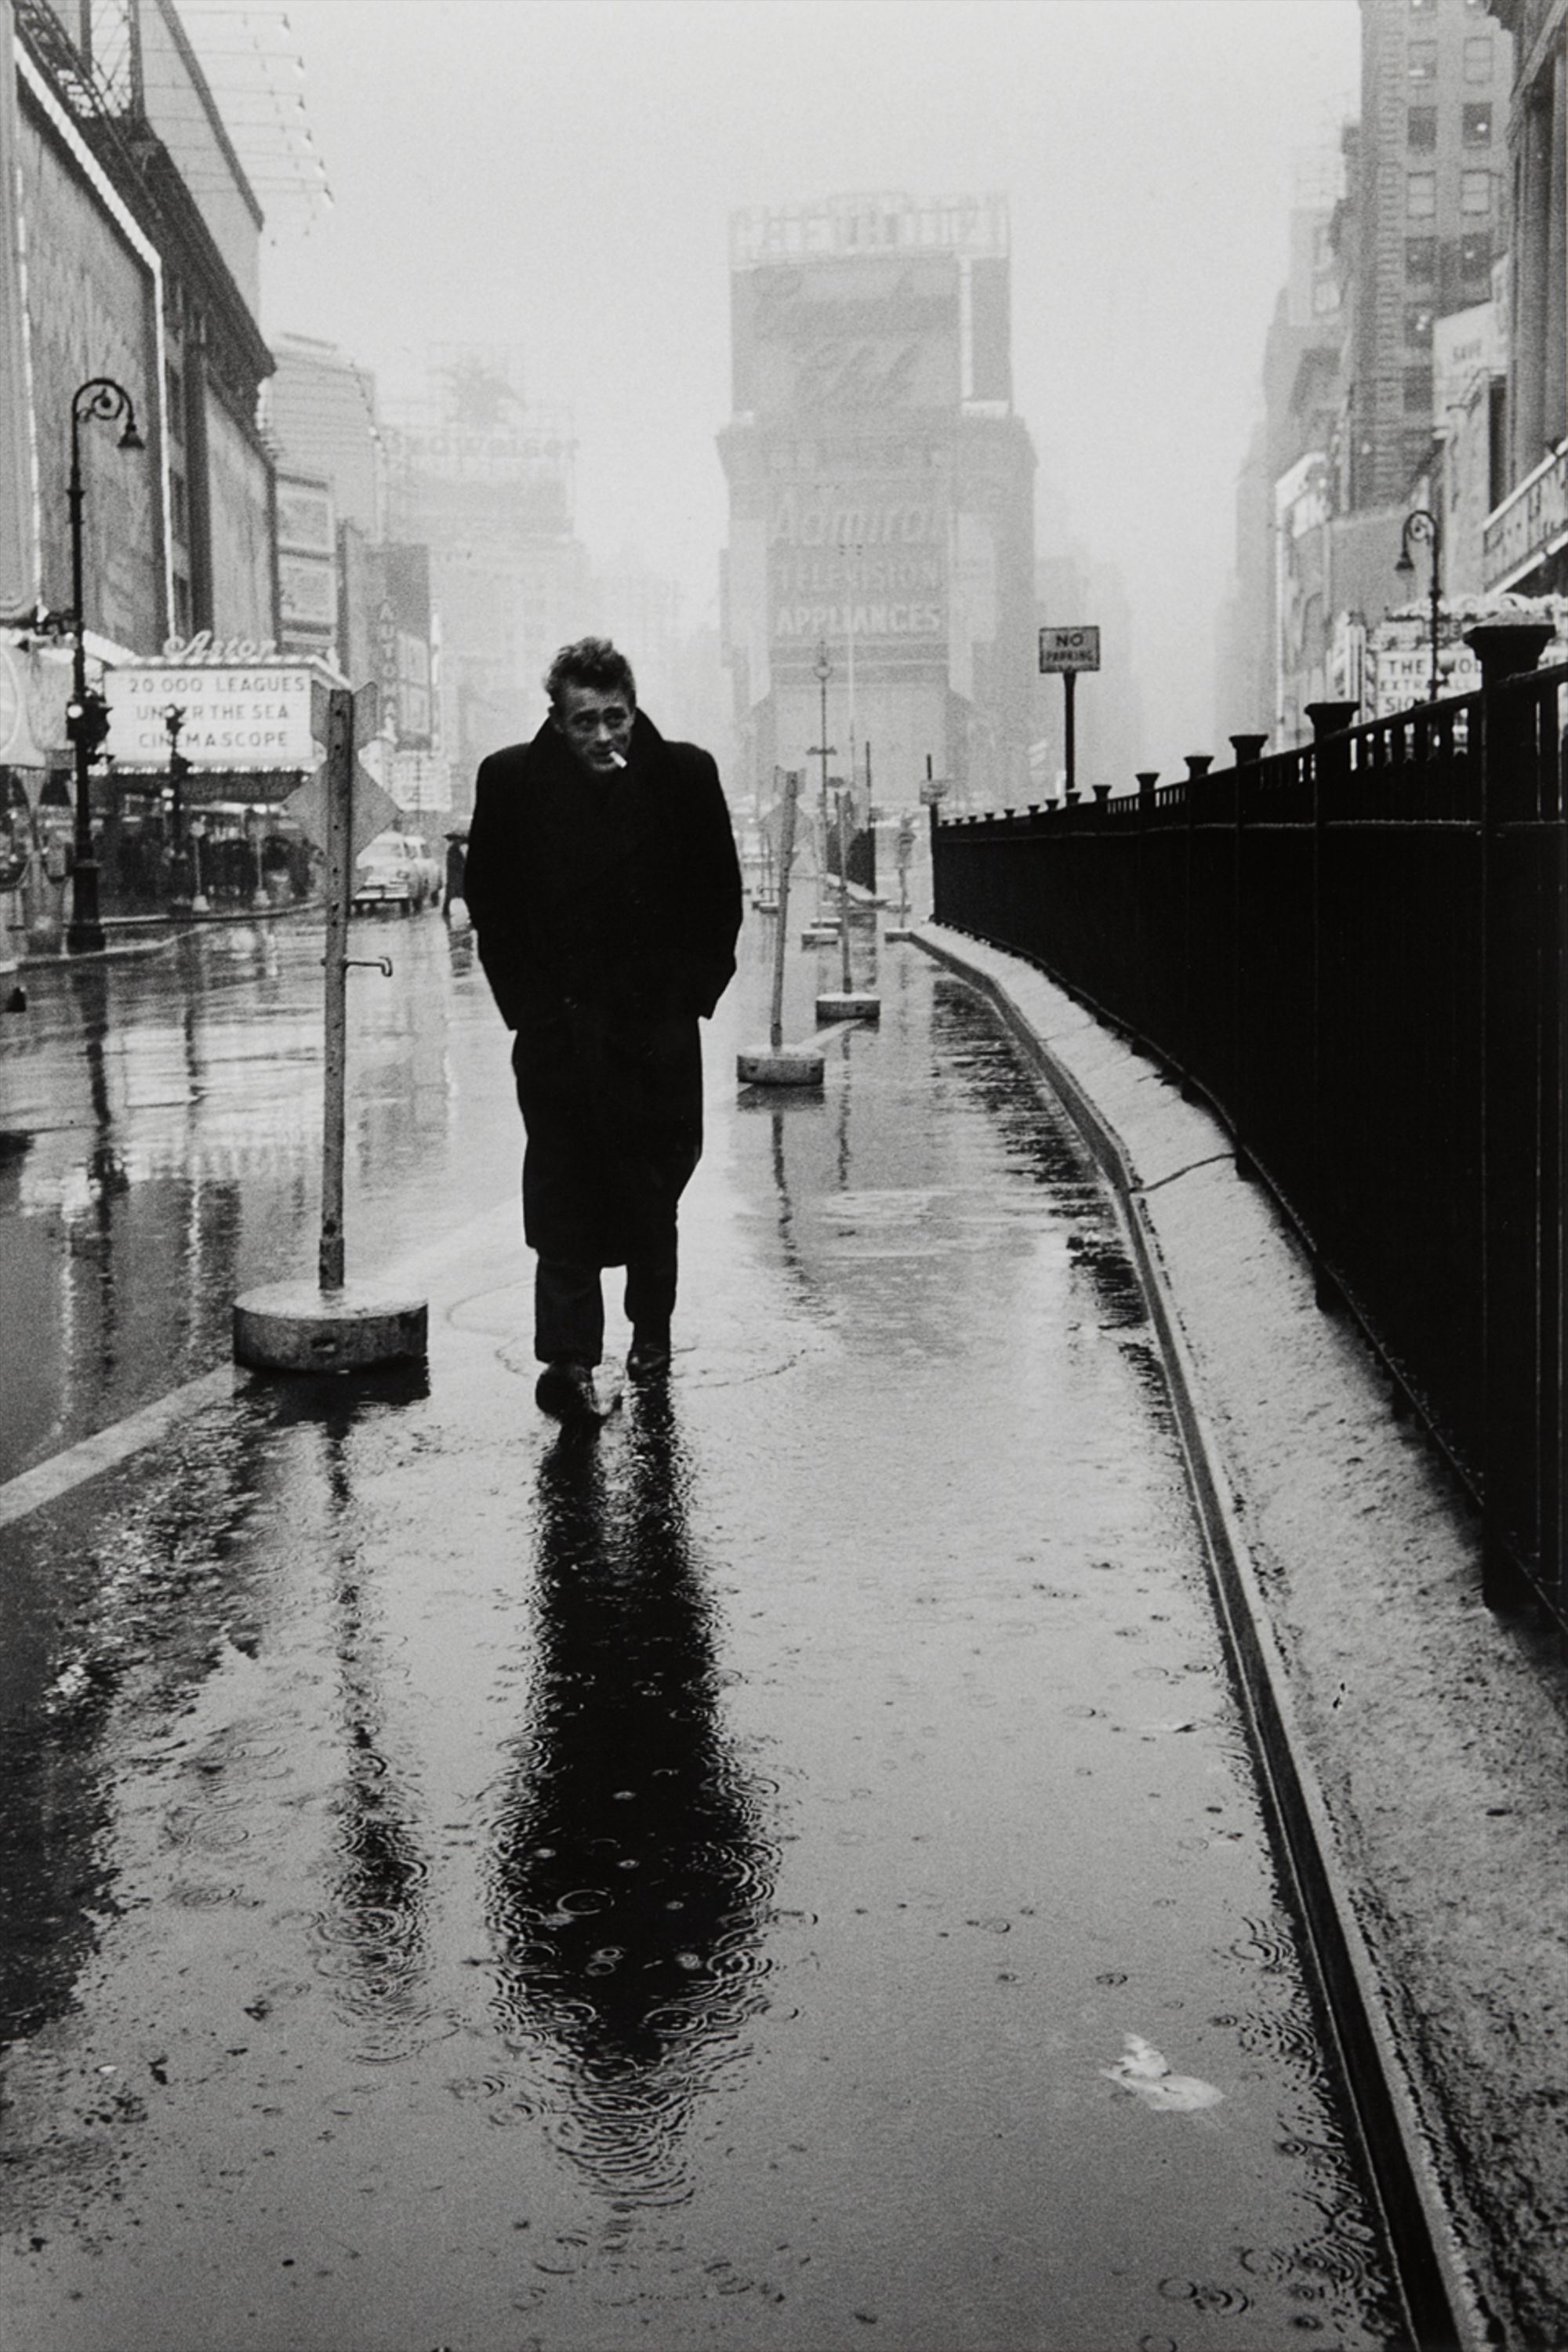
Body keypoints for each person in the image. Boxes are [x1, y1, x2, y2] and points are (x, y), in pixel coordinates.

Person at [463, 637, 742, 1422]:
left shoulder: (684, 776)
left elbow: (719, 893)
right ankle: (569, 1362)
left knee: (655, 1183)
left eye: (613, 717)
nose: (601, 738)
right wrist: (528, 1007)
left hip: (653, 1030)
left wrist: (688, 993)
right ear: (556, 718)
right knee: (562, 1191)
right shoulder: (511, 781)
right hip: (561, 1031)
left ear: (633, 705)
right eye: (582, 721)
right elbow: (490, 903)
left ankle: (649, 1331)